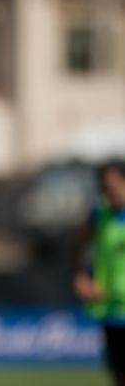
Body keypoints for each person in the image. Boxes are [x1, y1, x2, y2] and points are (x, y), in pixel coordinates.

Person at [72, 160, 125, 386]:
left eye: (114, 185)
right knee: (117, 368)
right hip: (109, 305)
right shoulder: (100, 212)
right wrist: (81, 275)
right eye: (105, 186)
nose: (109, 191)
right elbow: (78, 245)